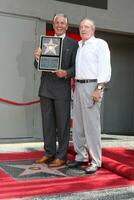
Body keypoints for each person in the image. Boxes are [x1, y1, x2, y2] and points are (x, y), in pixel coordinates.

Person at [34, 13, 78, 167]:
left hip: (62, 89)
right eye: (56, 23)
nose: (59, 25)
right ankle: (49, 153)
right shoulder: (46, 42)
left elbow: (76, 67)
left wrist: (66, 73)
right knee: (48, 123)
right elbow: (37, 66)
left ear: (66, 25)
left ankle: (61, 156)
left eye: (62, 23)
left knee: (63, 124)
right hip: (45, 88)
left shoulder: (73, 44)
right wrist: (37, 58)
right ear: (53, 25)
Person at [68, 18, 111, 174]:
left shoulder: (100, 44)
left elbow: (105, 67)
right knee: (78, 124)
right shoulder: (79, 45)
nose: (83, 29)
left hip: (92, 86)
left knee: (92, 126)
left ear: (93, 29)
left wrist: (99, 88)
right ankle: (80, 156)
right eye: (81, 27)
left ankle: (95, 160)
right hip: (78, 86)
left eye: (86, 27)